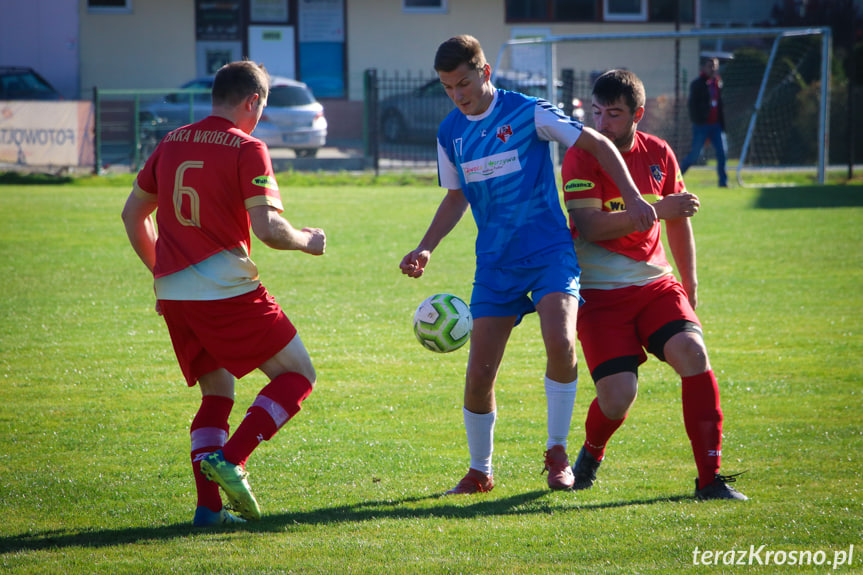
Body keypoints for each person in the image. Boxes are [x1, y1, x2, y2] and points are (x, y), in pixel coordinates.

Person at [399, 35, 657, 495]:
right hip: (496, 265)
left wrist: (635, 196)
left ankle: (557, 453)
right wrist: (426, 247)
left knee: (560, 343)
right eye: (446, 87)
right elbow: (456, 195)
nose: (457, 95)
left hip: (549, 254)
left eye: (463, 83)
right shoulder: (449, 133)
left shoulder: (529, 112)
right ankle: (480, 472)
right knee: (479, 375)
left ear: (485, 72)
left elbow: (597, 143)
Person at [121, 60, 327, 526]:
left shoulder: (170, 142)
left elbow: (132, 216)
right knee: (298, 375)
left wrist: (163, 273)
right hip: (226, 289)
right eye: (262, 108)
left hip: (176, 292)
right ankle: (233, 459)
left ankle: (208, 511)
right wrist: (308, 241)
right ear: (252, 101)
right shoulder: (247, 146)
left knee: (218, 391)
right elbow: (270, 229)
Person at [561, 69, 746, 500]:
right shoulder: (581, 153)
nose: (602, 123)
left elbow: (679, 222)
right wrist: (659, 209)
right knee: (618, 397)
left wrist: (691, 282)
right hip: (600, 296)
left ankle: (709, 479)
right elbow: (590, 227)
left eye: (614, 114)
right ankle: (591, 452)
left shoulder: (659, 153)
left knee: (693, 353)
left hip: (656, 286)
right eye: (597, 112)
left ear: (637, 115)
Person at [679, 56, 727, 187]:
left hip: (716, 126)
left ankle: (723, 182)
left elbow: (720, 104)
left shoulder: (717, 83)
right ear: (704, 68)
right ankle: (675, 179)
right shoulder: (697, 84)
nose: (713, 69)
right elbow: (692, 106)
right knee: (694, 156)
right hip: (701, 126)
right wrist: (698, 120)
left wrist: (722, 123)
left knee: (722, 153)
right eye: (710, 66)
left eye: (715, 66)